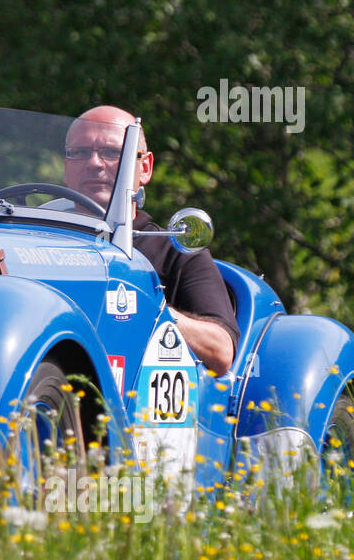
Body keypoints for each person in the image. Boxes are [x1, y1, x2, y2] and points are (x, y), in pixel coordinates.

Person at [63, 105, 238, 375]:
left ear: (144, 167)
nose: (94, 163)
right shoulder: (40, 244)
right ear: (66, 166)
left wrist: (148, 307)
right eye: (79, 153)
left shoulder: (175, 250)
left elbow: (222, 350)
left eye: (112, 153)